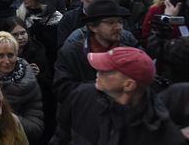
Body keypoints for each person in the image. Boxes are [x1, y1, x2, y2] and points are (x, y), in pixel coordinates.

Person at [51, 47, 185, 145]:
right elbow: (60, 137)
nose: (97, 73)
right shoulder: (82, 96)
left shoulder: (164, 136)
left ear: (128, 85)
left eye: (105, 70)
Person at [53, 0, 139, 102]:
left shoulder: (129, 48)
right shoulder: (71, 52)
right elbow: (63, 91)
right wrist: (103, 85)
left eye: (120, 22)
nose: (118, 27)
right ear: (93, 27)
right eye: (110, 22)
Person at [0, 32, 43, 144]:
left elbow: (36, 127)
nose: (6, 61)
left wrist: (7, 119)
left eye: (10, 55)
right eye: (0, 56)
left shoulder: (28, 82)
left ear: (17, 55)